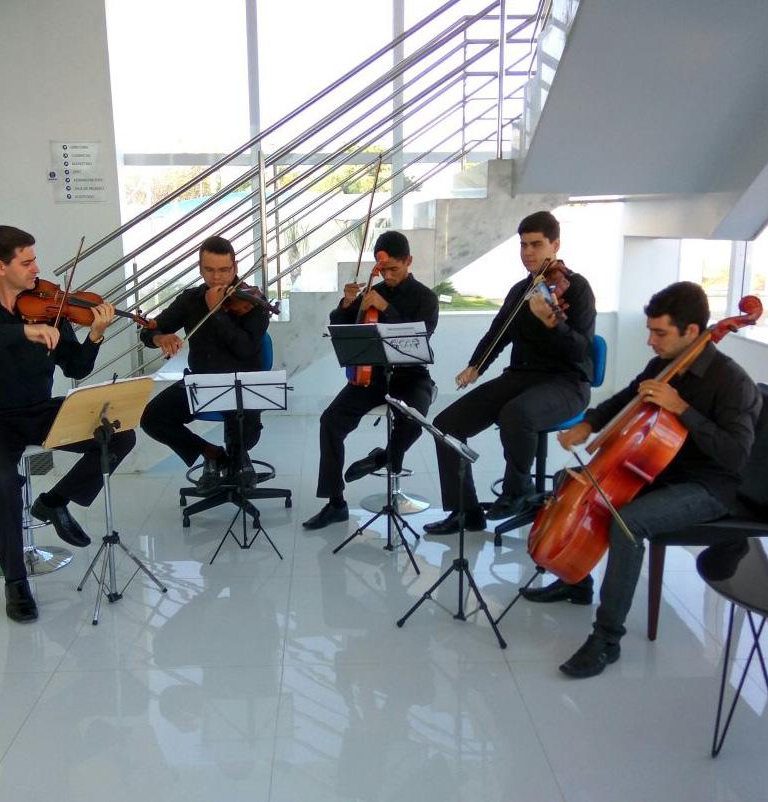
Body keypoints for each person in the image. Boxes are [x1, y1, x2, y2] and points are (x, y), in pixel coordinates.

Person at [521, 281, 762, 678]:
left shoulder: (733, 383)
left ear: (691, 332)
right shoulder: (665, 365)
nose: (650, 340)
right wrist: (589, 423)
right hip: (657, 469)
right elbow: (629, 398)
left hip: (709, 486)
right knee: (576, 480)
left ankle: (606, 639)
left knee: (628, 523)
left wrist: (683, 409)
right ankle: (575, 578)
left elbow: (736, 456)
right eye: (650, 330)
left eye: (659, 332)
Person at [0, 225, 134, 623]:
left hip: (38, 411)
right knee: (3, 482)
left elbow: (76, 366)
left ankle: (55, 501)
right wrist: (21, 331)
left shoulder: (52, 308)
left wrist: (95, 335)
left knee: (118, 436)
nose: (36, 269)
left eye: (35, 260)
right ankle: (16, 583)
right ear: (0, 266)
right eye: (26, 262)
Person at [423, 211, 596, 536]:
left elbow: (580, 351)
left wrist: (554, 323)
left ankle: (519, 490)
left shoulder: (576, 290)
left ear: (555, 244)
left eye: (536, 244)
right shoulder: (522, 290)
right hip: (521, 378)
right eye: (523, 245)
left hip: (567, 383)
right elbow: (498, 333)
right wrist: (476, 366)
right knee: (445, 426)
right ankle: (465, 511)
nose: (527, 252)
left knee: (517, 413)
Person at [302, 231, 439, 530]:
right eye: (383, 271)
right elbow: (340, 326)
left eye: (394, 269)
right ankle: (335, 502)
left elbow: (422, 335)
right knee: (330, 421)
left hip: (412, 377)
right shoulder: (370, 293)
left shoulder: (425, 297)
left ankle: (383, 457)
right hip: (373, 377)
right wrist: (348, 302)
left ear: (408, 262)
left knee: (415, 419)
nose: (388, 277)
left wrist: (387, 308)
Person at [139, 235, 270, 492]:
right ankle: (210, 453)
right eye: (209, 270)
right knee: (152, 418)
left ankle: (238, 458)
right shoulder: (189, 300)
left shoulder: (252, 301)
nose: (217, 277)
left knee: (244, 428)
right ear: (200, 269)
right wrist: (160, 337)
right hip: (200, 383)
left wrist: (217, 312)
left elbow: (245, 349)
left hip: (242, 383)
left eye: (224, 270)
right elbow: (149, 332)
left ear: (235, 268)